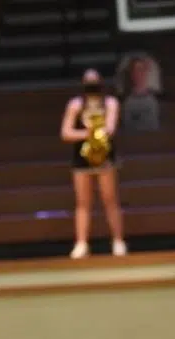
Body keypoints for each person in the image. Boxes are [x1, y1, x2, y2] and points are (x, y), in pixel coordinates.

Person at [60, 69, 127, 259]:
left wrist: (98, 133)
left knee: (110, 199)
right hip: (82, 156)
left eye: (94, 81)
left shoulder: (110, 103)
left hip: (104, 154)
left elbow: (111, 128)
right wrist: (87, 134)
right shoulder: (75, 105)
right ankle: (81, 243)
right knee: (83, 202)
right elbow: (66, 132)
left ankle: (118, 240)